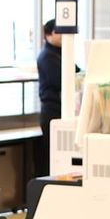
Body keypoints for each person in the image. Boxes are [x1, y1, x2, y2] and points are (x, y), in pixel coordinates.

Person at [37, 19, 79, 174]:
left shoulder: (61, 54)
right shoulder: (47, 56)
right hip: (52, 112)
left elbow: (78, 73)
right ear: (50, 34)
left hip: (61, 111)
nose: (64, 36)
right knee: (54, 157)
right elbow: (62, 80)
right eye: (60, 32)